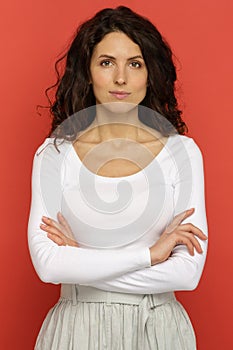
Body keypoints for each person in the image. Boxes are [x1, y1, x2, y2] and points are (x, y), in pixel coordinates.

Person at [28, 6, 208, 350]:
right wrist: (151, 255)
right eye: (106, 62)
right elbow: (49, 266)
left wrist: (82, 260)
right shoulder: (53, 154)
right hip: (76, 329)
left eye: (135, 64)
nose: (121, 78)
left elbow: (187, 273)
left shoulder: (182, 152)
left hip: (157, 328)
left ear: (151, 73)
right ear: (88, 71)